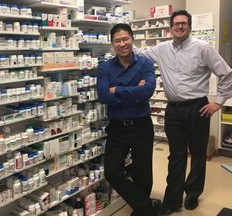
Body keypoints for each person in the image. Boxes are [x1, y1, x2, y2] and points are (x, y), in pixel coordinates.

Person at [133, 10, 232, 214]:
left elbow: (227, 74)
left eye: (184, 24)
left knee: (197, 154)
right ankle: (173, 199)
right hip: (173, 110)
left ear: (189, 26)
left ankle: (193, 193)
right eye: (176, 24)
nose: (180, 27)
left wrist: (218, 102)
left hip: (198, 109)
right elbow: (140, 54)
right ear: (170, 28)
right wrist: (124, 40)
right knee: (176, 155)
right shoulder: (162, 49)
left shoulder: (202, 48)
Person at [97, 23, 161, 216]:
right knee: (112, 173)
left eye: (125, 39)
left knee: (144, 175)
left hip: (142, 126)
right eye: (117, 40)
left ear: (132, 39)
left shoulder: (145, 64)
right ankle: (147, 207)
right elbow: (103, 96)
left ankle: (141, 210)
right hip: (117, 128)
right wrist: (135, 93)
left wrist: (117, 89)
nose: (122, 43)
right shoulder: (105, 68)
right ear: (112, 43)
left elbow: (147, 90)